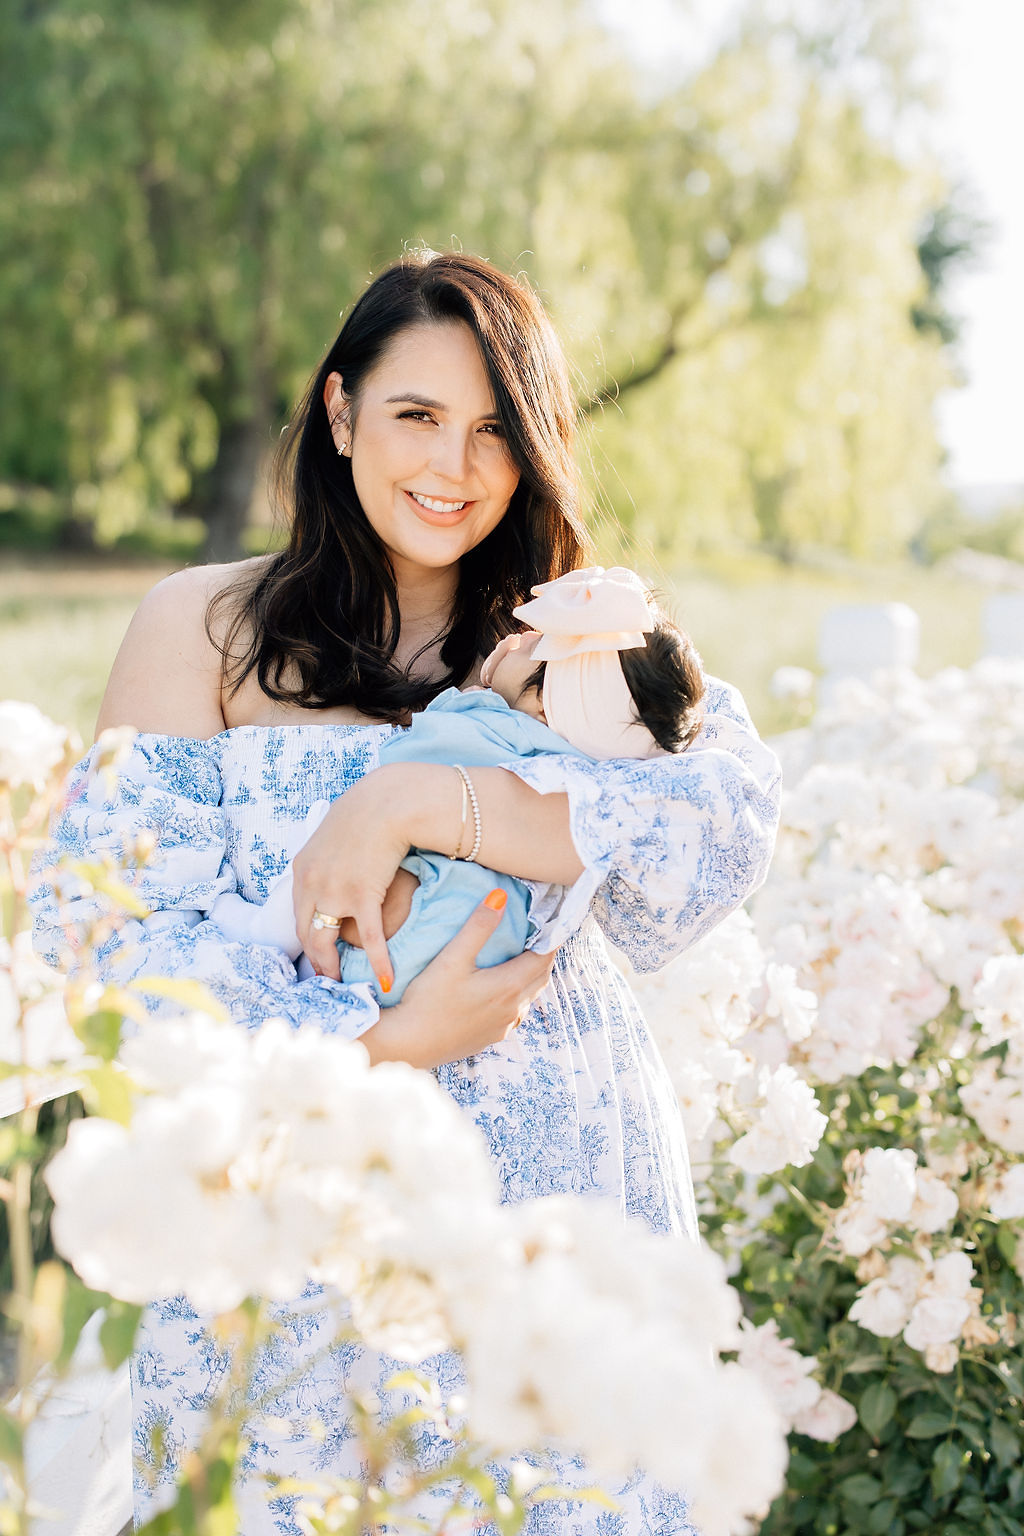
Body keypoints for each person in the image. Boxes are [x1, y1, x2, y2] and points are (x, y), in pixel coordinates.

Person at [33, 250, 781, 1535]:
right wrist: (384, 1050)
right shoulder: (200, 632)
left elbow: (702, 842)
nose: (453, 466)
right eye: (416, 415)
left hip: (560, 1220)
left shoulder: (571, 648)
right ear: (338, 412)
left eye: (496, 430)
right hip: (299, 1219)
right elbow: (102, 958)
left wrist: (420, 801)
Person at [206, 564, 708, 1008]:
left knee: (329, 831)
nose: (515, 638)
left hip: (407, 930)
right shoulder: (582, 776)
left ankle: (261, 932)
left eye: (534, 643)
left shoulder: (485, 726)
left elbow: (407, 763)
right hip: (480, 943)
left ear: (541, 705)